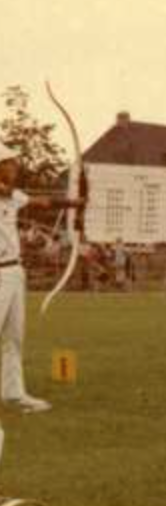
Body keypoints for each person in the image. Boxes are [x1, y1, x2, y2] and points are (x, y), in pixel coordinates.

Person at [0, 142, 83, 412]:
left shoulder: (13, 196)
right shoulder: (5, 192)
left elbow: (42, 202)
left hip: (14, 271)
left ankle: (13, 393)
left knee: (14, 337)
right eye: (9, 163)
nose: (15, 168)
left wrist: (74, 203)